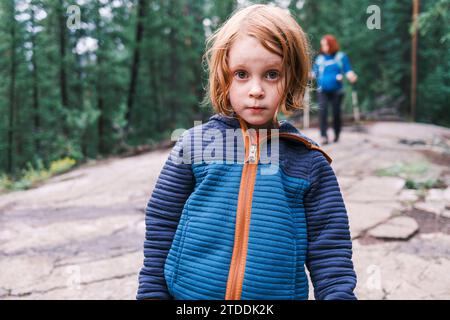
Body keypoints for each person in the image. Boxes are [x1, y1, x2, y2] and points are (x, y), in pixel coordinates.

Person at [136, 4, 357, 300]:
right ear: (223, 77)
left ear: (291, 79)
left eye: (271, 74)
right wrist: (152, 293)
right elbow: (162, 222)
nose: (256, 89)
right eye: (241, 74)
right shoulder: (193, 146)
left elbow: (330, 247)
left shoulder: (308, 161)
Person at [312, 35, 358, 145]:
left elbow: (348, 70)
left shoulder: (340, 57)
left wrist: (352, 76)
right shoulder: (320, 59)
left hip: (337, 90)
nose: (323, 47)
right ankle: (324, 136)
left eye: (325, 44)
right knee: (322, 113)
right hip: (322, 90)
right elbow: (314, 73)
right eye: (322, 44)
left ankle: (337, 134)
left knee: (336, 113)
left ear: (331, 44)